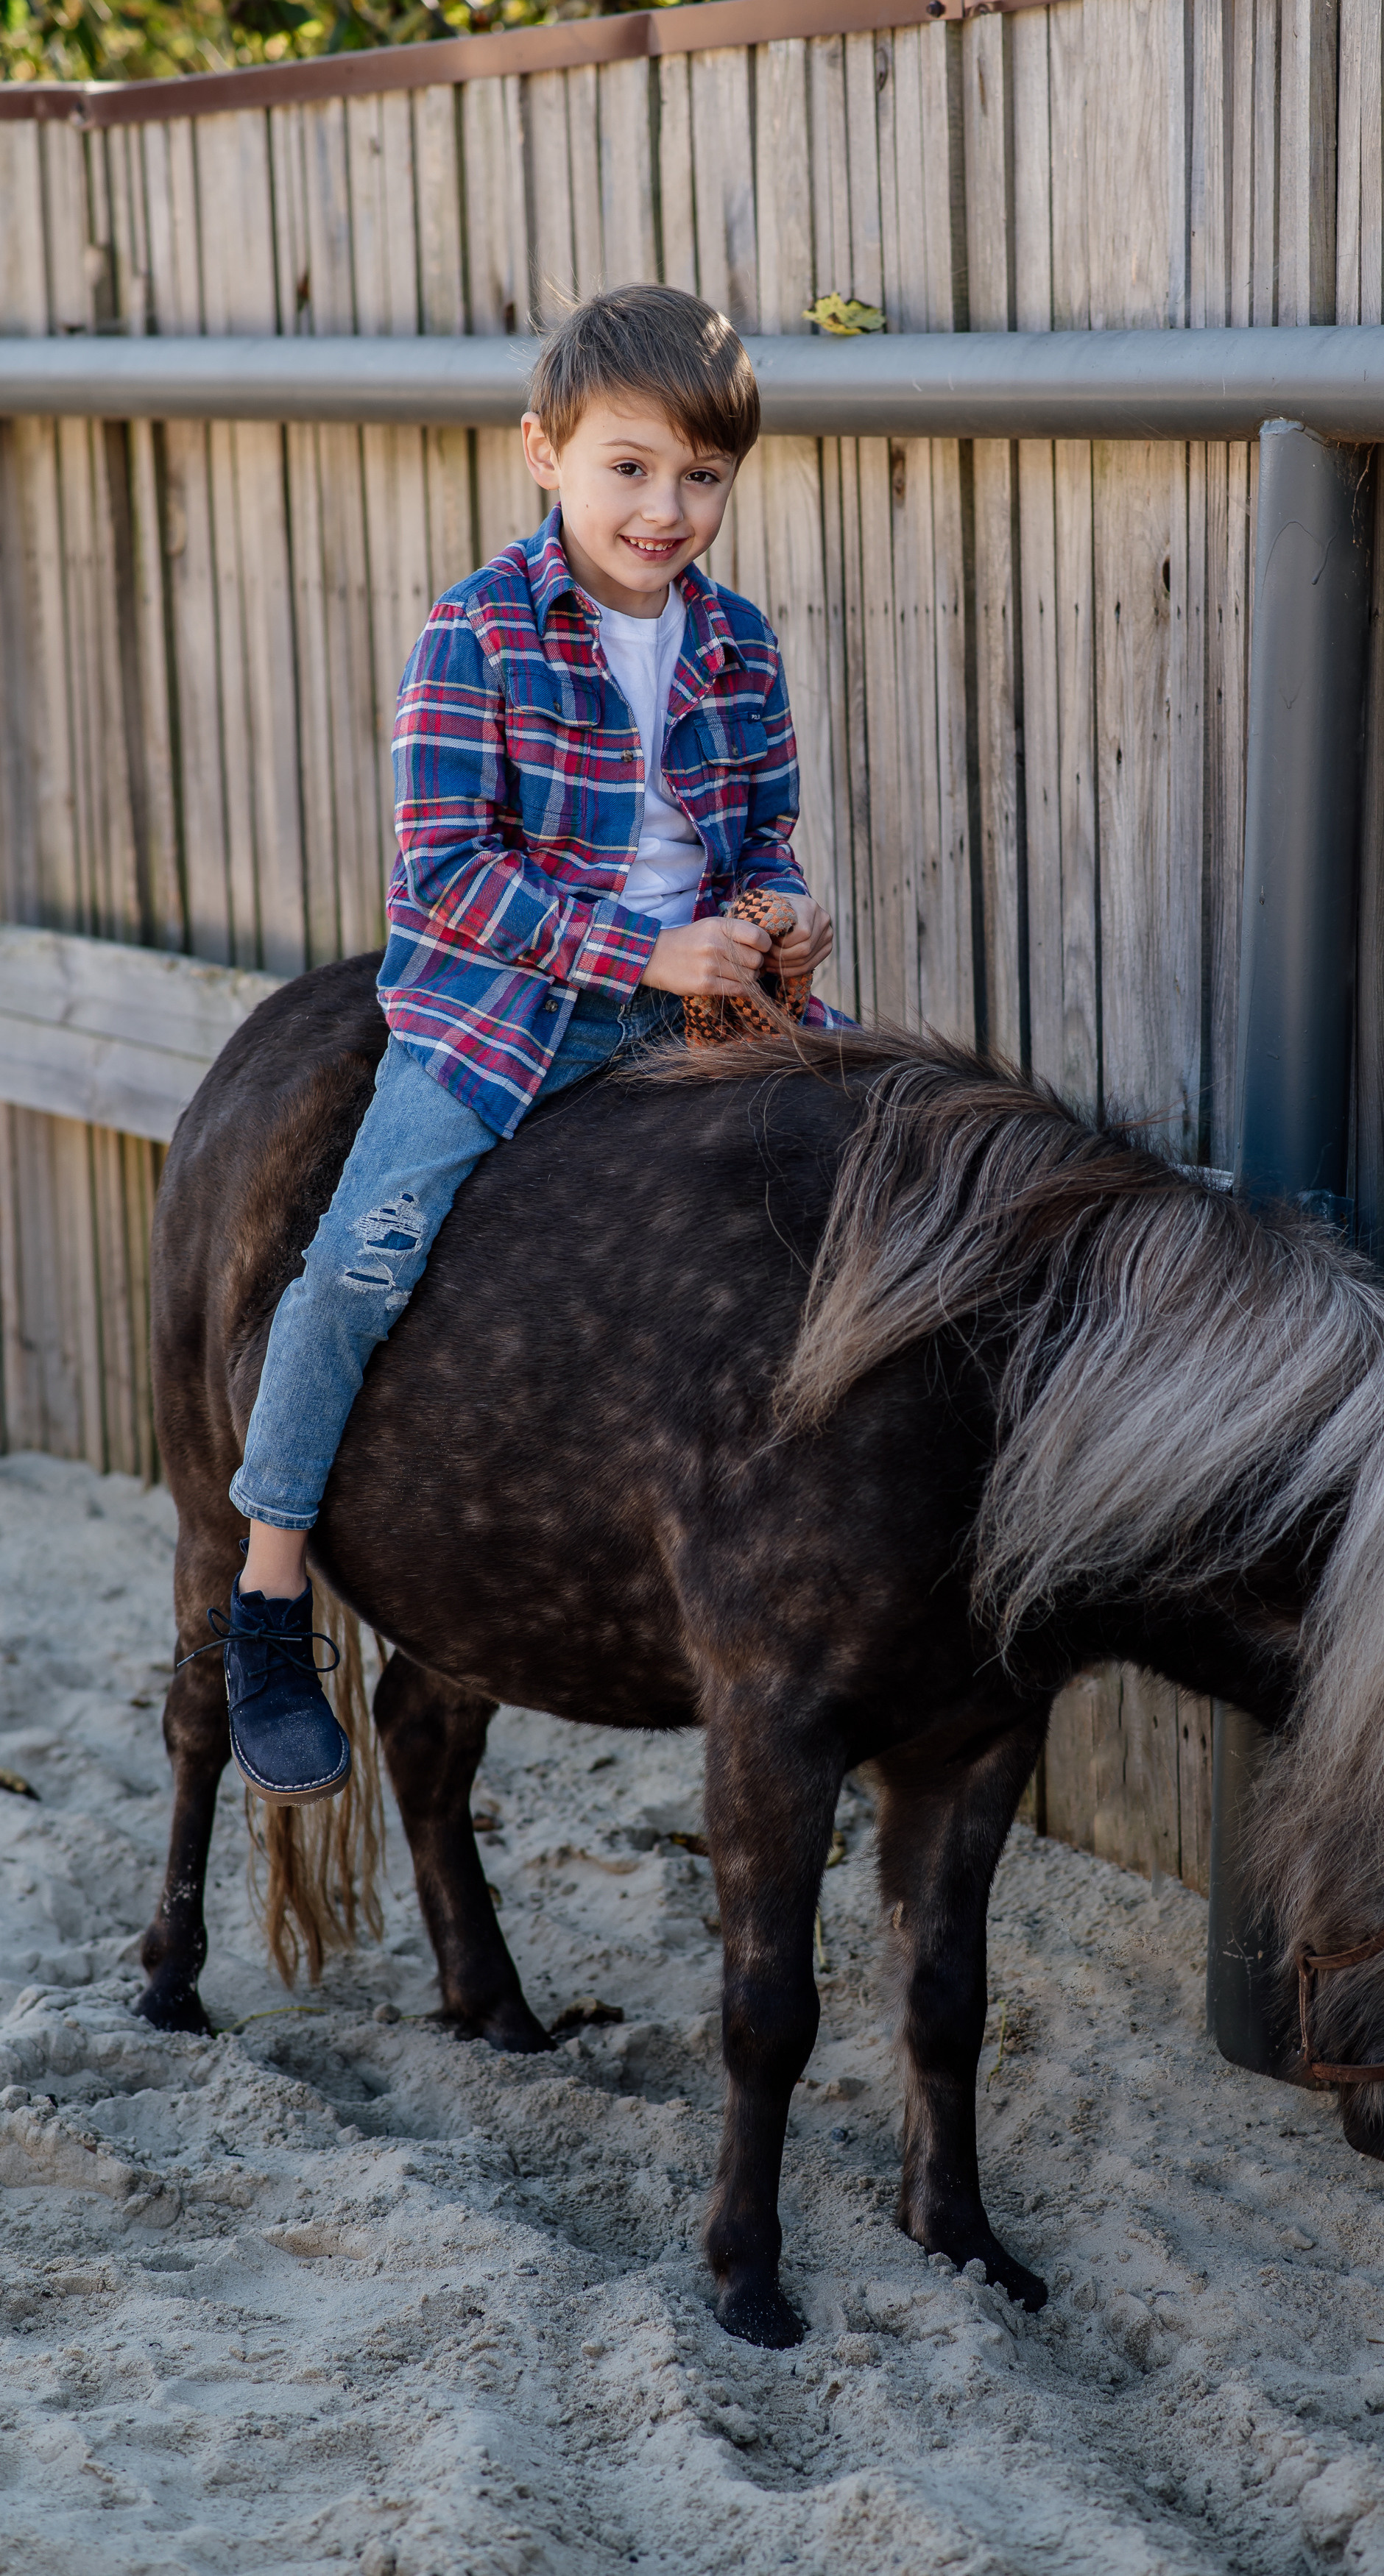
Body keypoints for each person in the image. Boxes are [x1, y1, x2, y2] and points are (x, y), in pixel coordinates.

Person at [207, 283, 836, 1806]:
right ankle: (271, 1595)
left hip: (708, 1012)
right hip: (501, 1020)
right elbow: (445, 879)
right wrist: (640, 945)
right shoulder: (477, 632)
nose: (668, 508)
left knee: (894, 1198)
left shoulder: (735, 641)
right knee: (355, 1264)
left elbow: (761, 831)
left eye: (703, 476)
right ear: (543, 455)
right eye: (629, 468)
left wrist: (780, 914)